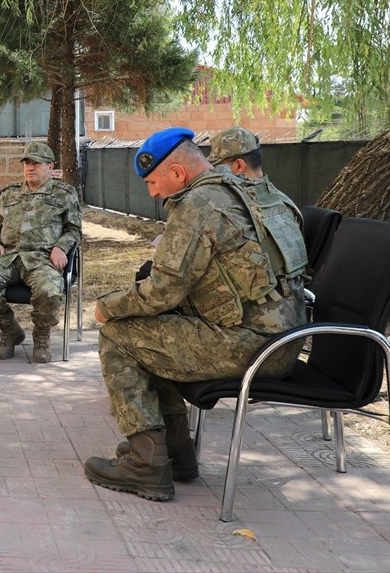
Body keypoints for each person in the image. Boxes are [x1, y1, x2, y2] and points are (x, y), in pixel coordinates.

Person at [83, 126, 308, 502]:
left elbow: (163, 290)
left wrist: (107, 307)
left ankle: (148, 464)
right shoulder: (258, 192)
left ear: (177, 173)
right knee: (154, 333)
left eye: (153, 182)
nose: (152, 192)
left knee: (119, 336)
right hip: (285, 340)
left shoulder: (198, 205)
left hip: (252, 346)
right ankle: (174, 453)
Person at [0, 141, 82, 364]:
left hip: (43, 259)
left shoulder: (64, 194)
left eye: (36, 163)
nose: (30, 167)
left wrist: (61, 247)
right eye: (27, 163)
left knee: (49, 292)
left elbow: (74, 229)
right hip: (9, 257)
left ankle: (41, 336)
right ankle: (10, 331)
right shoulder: (9, 194)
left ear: (50, 167)